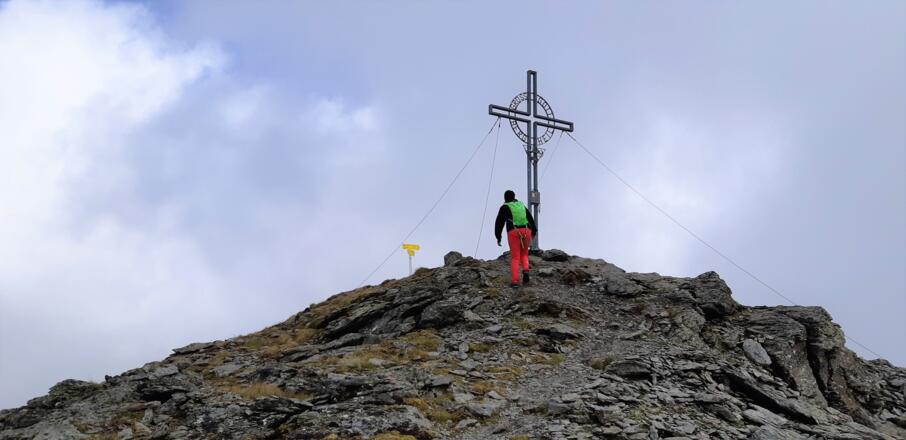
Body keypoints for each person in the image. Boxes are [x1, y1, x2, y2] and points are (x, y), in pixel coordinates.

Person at [494, 190, 537, 288]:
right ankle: (526, 270)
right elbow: (530, 218)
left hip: (513, 232)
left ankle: (515, 282)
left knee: (515, 257)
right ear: (514, 197)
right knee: (524, 253)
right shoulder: (521, 205)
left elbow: (499, 223)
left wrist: (498, 237)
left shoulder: (504, 207)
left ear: (505, 198)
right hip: (526, 230)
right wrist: (534, 231)